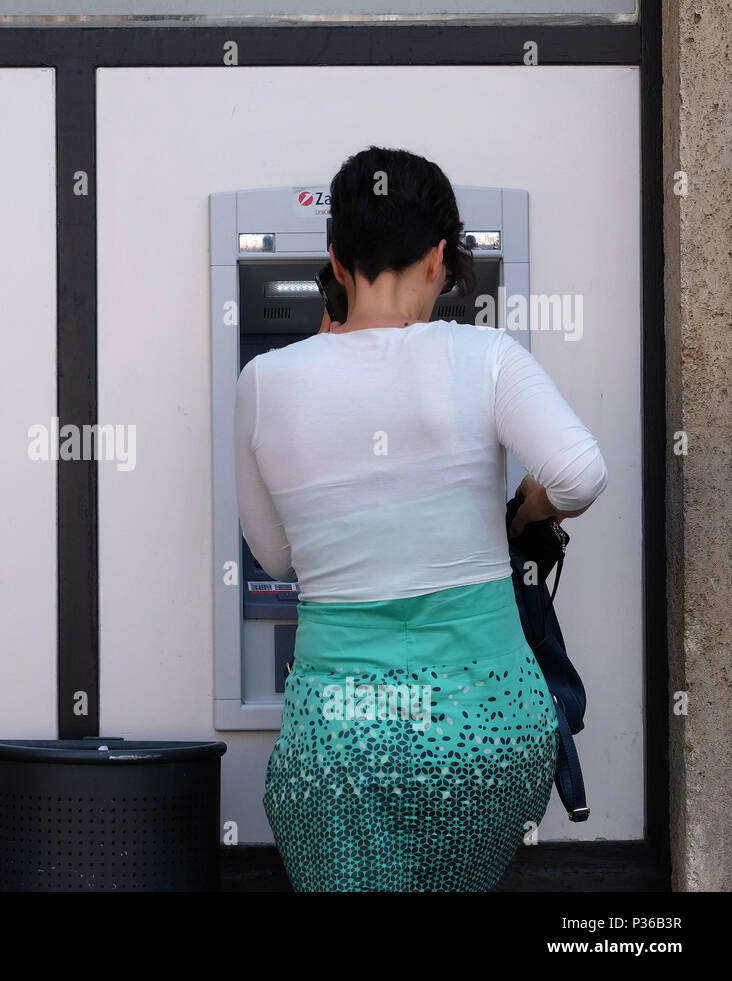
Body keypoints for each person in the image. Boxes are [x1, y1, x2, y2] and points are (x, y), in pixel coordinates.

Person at [235, 146, 607, 891]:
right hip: (487, 729)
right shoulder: (486, 355)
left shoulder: (264, 380)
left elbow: (278, 560)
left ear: (336, 261)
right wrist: (524, 510)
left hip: (340, 741)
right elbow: (579, 473)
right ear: (440, 258)